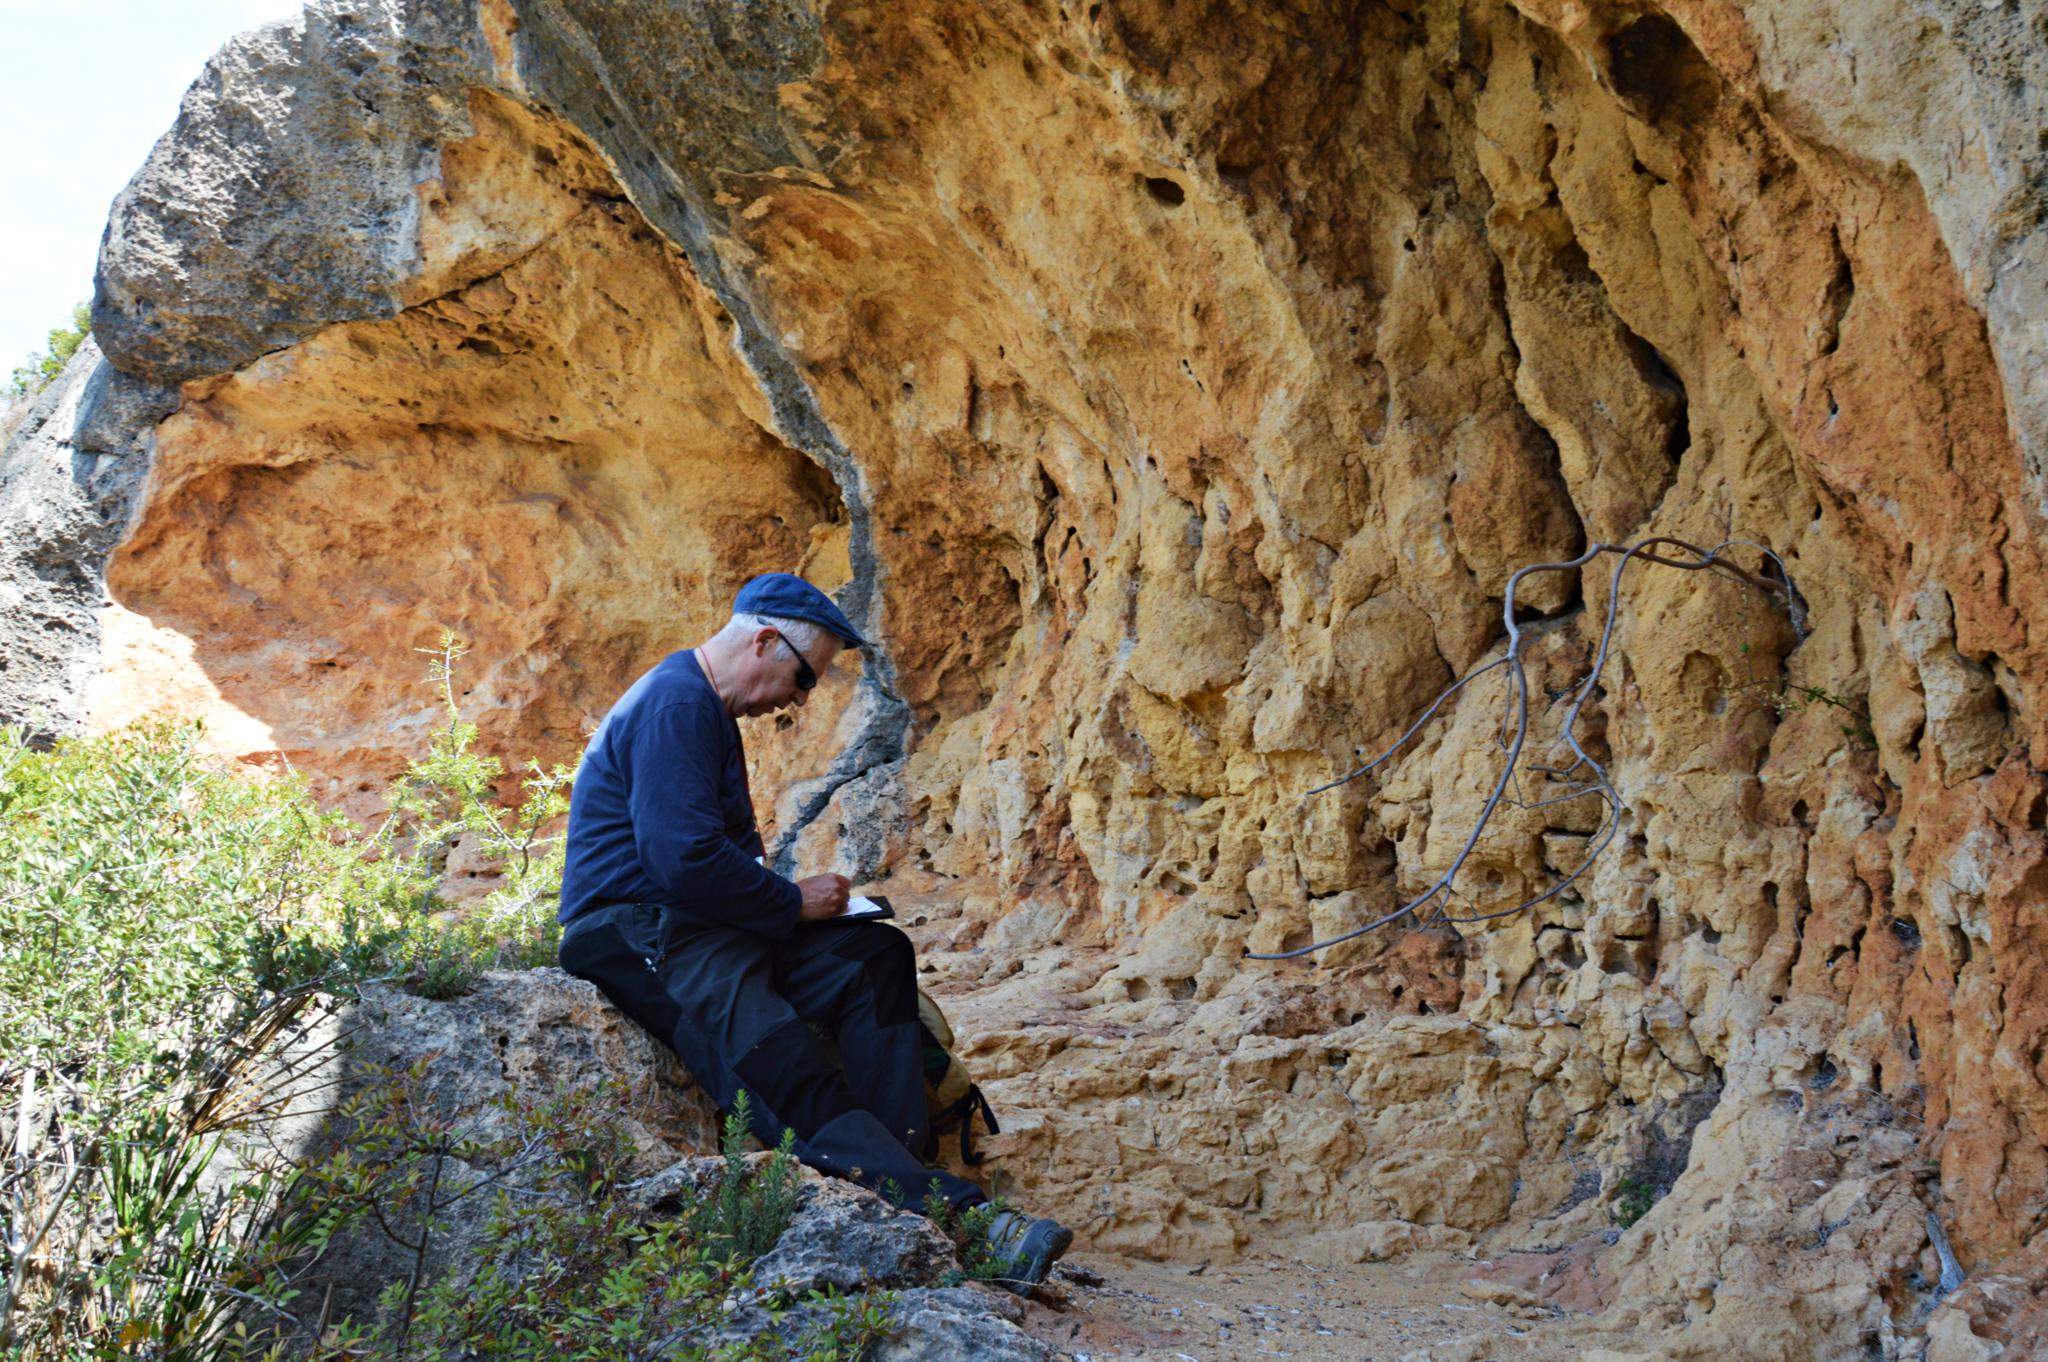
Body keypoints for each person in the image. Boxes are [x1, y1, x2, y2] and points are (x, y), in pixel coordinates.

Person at [556, 572, 1073, 1286]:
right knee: (782, 1060)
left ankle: (896, 1181)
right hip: (641, 933)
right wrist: (790, 900)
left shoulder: (700, 709)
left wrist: (787, 906)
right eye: (804, 679)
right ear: (765, 641)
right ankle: (965, 1226)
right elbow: (680, 856)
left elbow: (703, 861)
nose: (799, 700)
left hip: (700, 922)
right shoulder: (678, 703)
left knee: (872, 959)